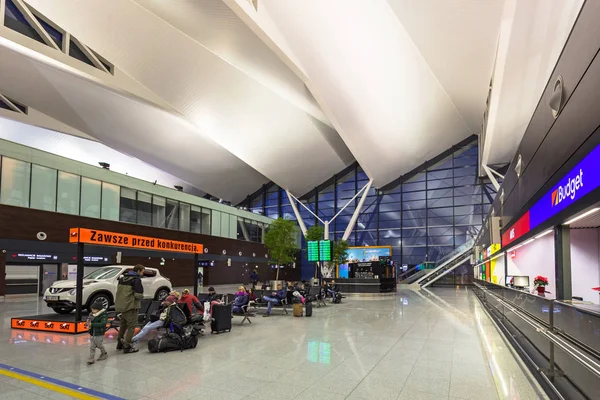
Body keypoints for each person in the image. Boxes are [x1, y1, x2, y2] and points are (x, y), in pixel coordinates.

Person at [115, 264, 145, 354]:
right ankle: (127, 346)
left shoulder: (122, 279)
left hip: (121, 305)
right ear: (138, 271)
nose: (142, 274)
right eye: (142, 272)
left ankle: (119, 343)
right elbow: (138, 295)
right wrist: (142, 296)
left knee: (123, 325)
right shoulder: (136, 280)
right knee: (131, 326)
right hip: (131, 306)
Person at [86, 299, 108, 365]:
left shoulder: (103, 316)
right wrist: (88, 324)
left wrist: (92, 324)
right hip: (92, 333)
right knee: (92, 346)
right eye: (92, 309)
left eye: (94, 310)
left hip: (99, 333)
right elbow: (90, 321)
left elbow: (102, 324)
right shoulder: (92, 315)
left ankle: (104, 353)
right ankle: (91, 358)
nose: (92, 311)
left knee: (99, 345)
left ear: (99, 310)